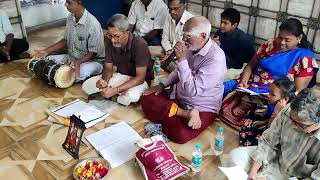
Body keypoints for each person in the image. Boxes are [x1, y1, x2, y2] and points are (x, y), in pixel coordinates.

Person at [141, 16, 227, 144]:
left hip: (201, 106)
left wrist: (181, 60)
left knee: (180, 134)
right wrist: (162, 85)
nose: (183, 40)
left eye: (188, 36)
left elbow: (193, 91)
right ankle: (184, 113)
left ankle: (175, 113)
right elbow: (179, 71)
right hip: (179, 98)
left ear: (203, 36)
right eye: (183, 36)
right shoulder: (192, 46)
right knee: (146, 97)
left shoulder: (216, 58)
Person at [229, 88, 320, 180]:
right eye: (291, 119)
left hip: (296, 177)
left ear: (317, 123)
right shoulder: (289, 110)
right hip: (275, 159)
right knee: (236, 156)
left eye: (300, 124)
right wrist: (253, 171)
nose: (292, 126)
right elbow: (268, 141)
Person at [224, 18, 319, 96]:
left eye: (287, 40)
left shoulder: (306, 59)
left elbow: (297, 92)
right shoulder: (271, 44)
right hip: (249, 84)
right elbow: (250, 65)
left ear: (299, 38)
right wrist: (243, 82)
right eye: (280, 37)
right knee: (222, 89)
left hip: (272, 95)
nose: (282, 43)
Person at [33, 0, 105, 82]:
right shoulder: (70, 17)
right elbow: (65, 40)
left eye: (69, 2)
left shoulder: (93, 24)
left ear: (79, 2)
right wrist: (46, 51)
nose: (65, 4)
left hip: (92, 61)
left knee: (77, 75)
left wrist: (78, 63)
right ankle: (66, 69)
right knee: (45, 62)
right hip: (72, 57)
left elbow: (93, 53)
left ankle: (69, 70)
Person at [91, 14, 153, 104]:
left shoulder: (140, 44)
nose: (112, 40)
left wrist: (115, 90)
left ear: (126, 33)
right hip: (122, 76)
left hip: (139, 81)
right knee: (98, 85)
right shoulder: (109, 40)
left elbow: (140, 78)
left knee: (130, 96)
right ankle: (116, 95)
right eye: (110, 35)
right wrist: (104, 81)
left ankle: (116, 95)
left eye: (116, 36)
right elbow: (108, 68)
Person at [239, 79, 296, 146]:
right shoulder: (275, 103)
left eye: (272, 94)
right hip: (269, 124)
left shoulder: (286, 112)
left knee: (249, 139)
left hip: (274, 135)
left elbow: (270, 130)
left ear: (285, 99)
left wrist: (276, 112)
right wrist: (265, 122)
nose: (268, 95)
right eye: (269, 92)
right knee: (251, 116)